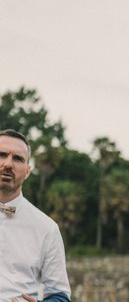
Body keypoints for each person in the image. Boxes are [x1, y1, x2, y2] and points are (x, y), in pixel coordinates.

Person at [0, 129, 71, 302]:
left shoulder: (47, 228)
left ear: (27, 171)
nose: (8, 164)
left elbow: (60, 295)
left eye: (18, 158)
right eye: (1, 154)